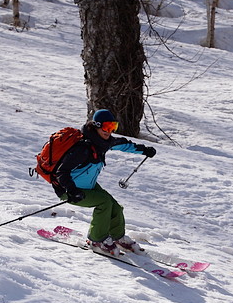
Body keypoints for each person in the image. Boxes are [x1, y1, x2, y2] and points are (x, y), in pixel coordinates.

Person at [52, 109, 156, 256]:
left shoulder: (104, 142)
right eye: (106, 127)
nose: (109, 131)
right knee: (104, 202)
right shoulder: (83, 148)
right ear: (96, 126)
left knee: (115, 207)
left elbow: (124, 144)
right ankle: (97, 240)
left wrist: (145, 150)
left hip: (88, 186)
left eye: (113, 127)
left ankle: (117, 237)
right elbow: (61, 172)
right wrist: (72, 191)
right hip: (69, 189)